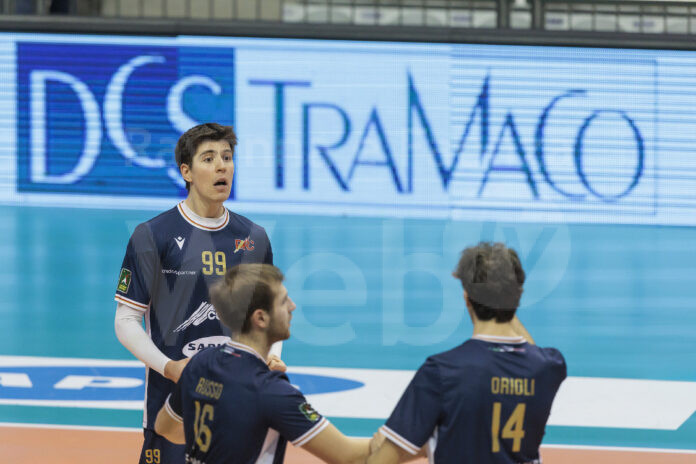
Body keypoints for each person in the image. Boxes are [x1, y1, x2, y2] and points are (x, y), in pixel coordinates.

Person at [114, 123, 277, 464]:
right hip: (171, 406)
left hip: (238, 405)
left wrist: (270, 355)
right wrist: (170, 367)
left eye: (227, 158)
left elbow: (267, 315)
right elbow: (126, 320)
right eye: (209, 158)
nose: (222, 167)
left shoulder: (254, 237)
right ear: (186, 172)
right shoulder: (152, 235)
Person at [368, 242, 566, 464]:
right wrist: (503, 295)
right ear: (518, 295)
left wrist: (382, 449)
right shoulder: (551, 367)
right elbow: (530, 351)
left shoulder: (441, 372)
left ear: (466, 298)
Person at [154, 263, 370, 463]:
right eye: (284, 301)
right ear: (260, 318)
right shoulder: (272, 392)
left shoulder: (200, 363)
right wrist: (392, 432)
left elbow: (164, 427)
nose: (293, 306)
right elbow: (350, 456)